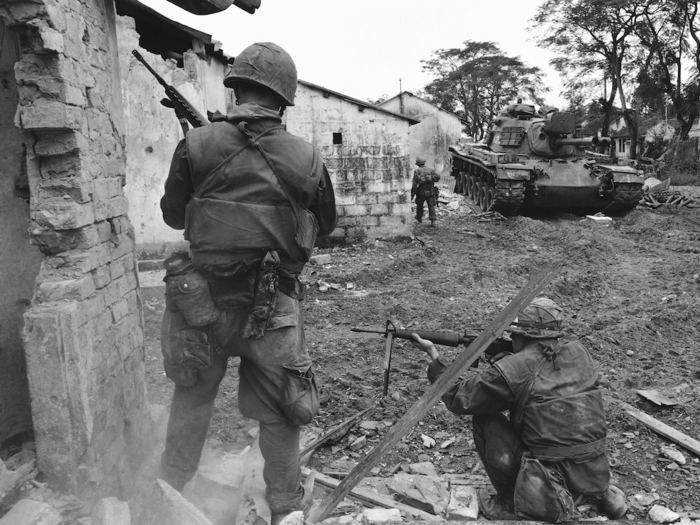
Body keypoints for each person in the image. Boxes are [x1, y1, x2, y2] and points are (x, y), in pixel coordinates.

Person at [159, 42, 337, 525]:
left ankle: (166, 495)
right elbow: (328, 223)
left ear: (234, 87)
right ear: (284, 99)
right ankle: (285, 511)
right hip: (273, 307)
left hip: (201, 302)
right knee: (280, 413)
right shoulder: (307, 157)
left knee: (192, 397)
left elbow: (174, 217)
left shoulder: (197, 144)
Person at [411, 298, 627, 523]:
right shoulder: (578, 351)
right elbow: (544, 376)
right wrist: (512, 361)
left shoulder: (517, 366)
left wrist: (434, 356)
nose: (511, 338)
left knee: (484, 418)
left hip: (547, 476)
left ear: (527, 335)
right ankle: (600, 494)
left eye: (515, 334)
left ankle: (509, 503)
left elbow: (461, 399)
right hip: (593, 467)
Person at [411, 157, 440, 226]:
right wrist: (431, 178)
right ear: (424, 162)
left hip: (421, 192)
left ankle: (419, 218)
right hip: (431, 191)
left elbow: (415, 184)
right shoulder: (430, 170)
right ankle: (433, 221)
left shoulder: (417, 171)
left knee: (419, 205)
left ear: (417, 164)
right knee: (431, 206)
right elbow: (438, 177)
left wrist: (412, 194)